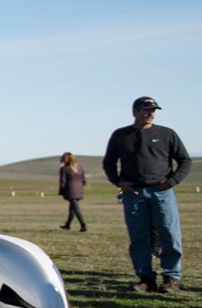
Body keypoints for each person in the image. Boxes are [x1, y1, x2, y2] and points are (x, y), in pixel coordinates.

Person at [103, 96, 190, 293]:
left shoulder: (167, 134)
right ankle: (145, 278)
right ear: (134, 111)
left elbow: (185, 160)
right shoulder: (121, 135)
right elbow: (109, 162)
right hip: (134, 193)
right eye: (145, 109)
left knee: (169, 234)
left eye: (153, 110)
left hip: (162, 192)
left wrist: (171, 181)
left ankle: (171, 278)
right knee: (139, 237)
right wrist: (119, 182)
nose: (150, 113)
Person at [58, 152, 87, 232]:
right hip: (79, 189)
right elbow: (83, 180)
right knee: (72, 208)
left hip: (70, 190)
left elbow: (62, 181)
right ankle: (67, 225)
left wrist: (62, 191)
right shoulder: (79, 167)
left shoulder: (64, 169)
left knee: (75, 208)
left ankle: (83, 224)